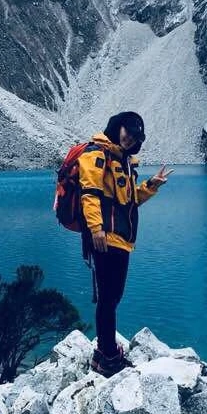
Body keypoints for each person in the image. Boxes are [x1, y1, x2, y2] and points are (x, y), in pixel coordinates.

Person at [78, 111, 172, 377]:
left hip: (121, 239)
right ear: (118, 127)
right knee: (108, 297)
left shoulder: (124, 161)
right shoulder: (97, 153)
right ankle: (108, 355)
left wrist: (151, 185)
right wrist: (95, 228)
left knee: (113, 296)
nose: (130, 138)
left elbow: (129, 201)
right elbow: (89, 193)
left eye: (135, 136)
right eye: (127, 132)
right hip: (104, 237)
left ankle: (103, 353)